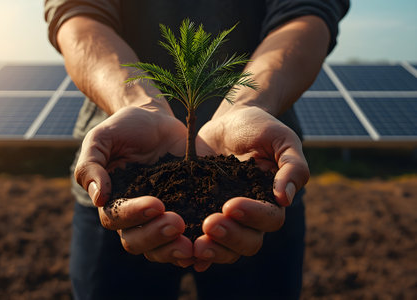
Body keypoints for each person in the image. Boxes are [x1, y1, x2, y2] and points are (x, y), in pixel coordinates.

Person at [45, 1, 349, 299]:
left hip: (258, 169)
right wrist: (135, 101)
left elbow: (306, 12)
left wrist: (249, 103)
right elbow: (77, 13)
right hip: (123, 168)